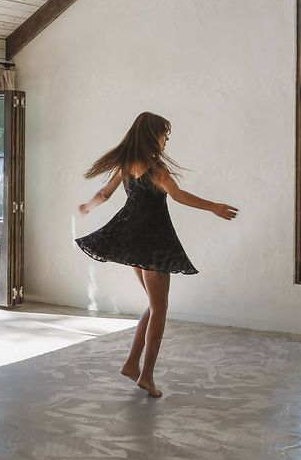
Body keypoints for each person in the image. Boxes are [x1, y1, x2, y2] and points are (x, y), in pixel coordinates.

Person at [75, 112, 238, 397]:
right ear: (153, 135)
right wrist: (213, 206)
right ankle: (146, 376)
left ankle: (130, 364)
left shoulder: (126, 165)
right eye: (164, 134)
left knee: (153, 305)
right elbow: (178, 196)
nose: (166, 140)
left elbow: (104, 194)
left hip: (132, 239)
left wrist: (87, 207)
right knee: (160, 309)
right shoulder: (155, 169)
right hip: (152, 241)